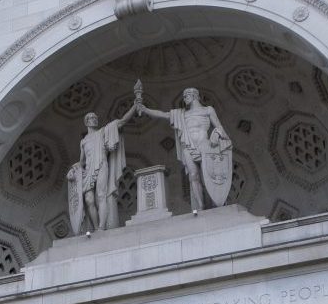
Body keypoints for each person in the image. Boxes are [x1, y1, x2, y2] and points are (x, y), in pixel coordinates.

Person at [137, 87, 232, 213]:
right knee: (193, 175)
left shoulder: (207, 110)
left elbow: (219, 127)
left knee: (209, 175)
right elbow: (164, 115)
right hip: (188, 146)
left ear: (193, 95)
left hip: (205, 146)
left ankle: (217, 203)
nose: (184, 99)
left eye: (186, 96)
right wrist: (145, 109)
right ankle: (200, 207)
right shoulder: (182, 114)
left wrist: (221, 137)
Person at [66, 106, 133, 234]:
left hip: (102, 165)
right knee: (89, 199)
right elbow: (82, 161)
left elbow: (122, 121)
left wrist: (135, 105)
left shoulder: (103, 131)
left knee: (101, 196)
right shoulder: (83, 141)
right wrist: (72, 170)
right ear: (86, 122)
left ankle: (102, 228)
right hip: (88, 170)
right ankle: (96, 227)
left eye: (95, 118)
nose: (94, 119)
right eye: (91, 118)